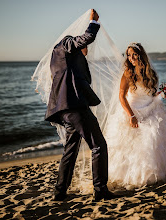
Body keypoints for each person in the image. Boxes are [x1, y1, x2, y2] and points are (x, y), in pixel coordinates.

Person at [44, 9, 114, 201]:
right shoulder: (66, 43)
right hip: (75, 107)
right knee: (99, 145)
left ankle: (60, 192)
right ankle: (100, 190)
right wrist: (93, 22)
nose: (87, 52)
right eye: (85, 49)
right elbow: (86, 38)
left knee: (70, 149)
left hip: (65, 109)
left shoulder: (61, 58)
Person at [104, 43, 166, 189]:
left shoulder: (150, 73)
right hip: (133, 111)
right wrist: (131, 115)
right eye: (129, 55)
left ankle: (154, 173)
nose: (131, 58)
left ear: (141, 54)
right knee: (134, 144)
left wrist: (161, 93)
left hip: (151, 109)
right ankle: (134, 175)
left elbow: (150, 93)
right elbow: (121, 97)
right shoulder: (127, 73)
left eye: (134, 54)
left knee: (154, 139)